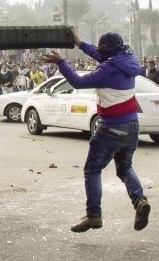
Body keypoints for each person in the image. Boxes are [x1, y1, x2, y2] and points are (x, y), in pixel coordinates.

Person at [41, 31, 150, 233]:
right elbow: (102, 56)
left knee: (92, 170)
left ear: (107, 50)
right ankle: (140, 201)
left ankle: (94, 215)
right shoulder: (127, 59)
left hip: (111, 127)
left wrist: (61, 63)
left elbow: (78, 82)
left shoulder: (107, 70)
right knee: (125, 167)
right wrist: (80, 43)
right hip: (132, 126)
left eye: (101, 49)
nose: (99, 52)